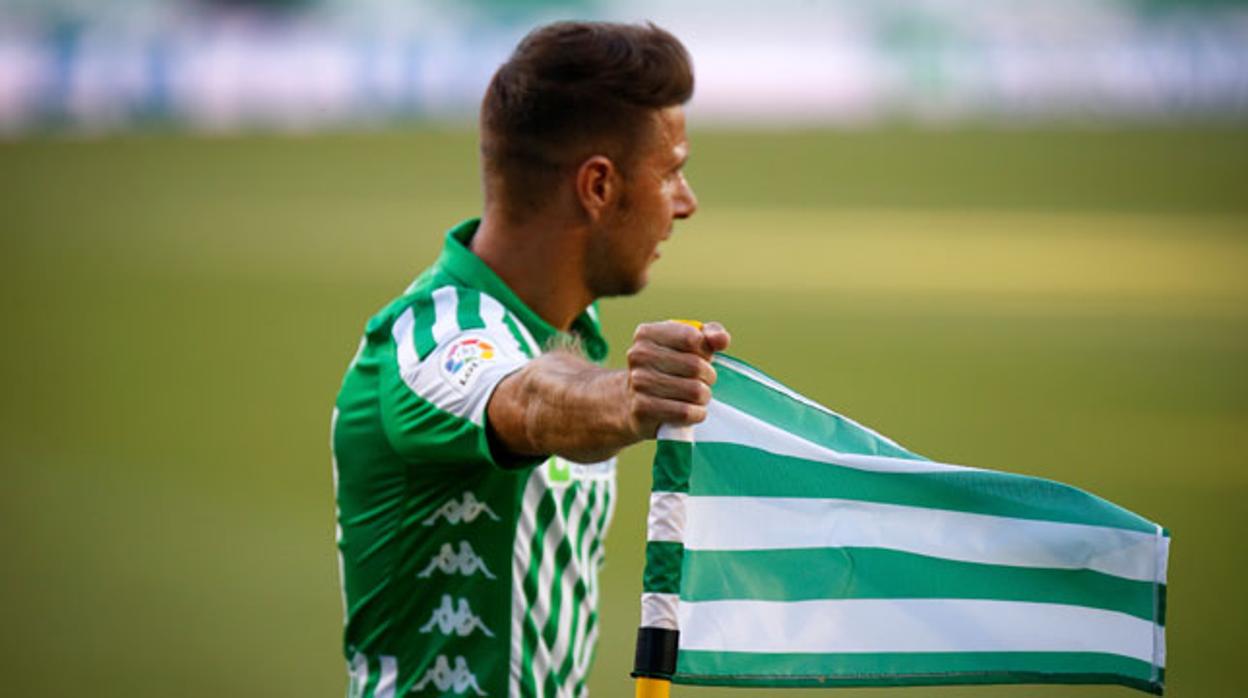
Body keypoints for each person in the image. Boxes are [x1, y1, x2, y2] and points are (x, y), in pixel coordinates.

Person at [331, 21, 729, 698]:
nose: (687, 203)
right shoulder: (431, 337)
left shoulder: (572, 334)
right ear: (598, 185)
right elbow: (531, 399)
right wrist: (627, 397)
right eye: (671, 172)